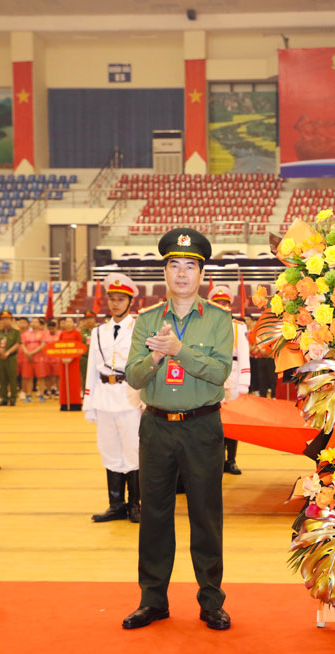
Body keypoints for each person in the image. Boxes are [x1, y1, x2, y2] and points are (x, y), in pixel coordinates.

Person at [121, 227, 234, 632]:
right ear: (165, 272)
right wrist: (155, 357)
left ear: (202, 274)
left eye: (189, 266)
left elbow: (220, 373)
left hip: (202, 427)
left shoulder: (219, 319)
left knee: (206, 515)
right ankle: (152, 601)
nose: (181, 273)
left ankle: (211, 601)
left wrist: (178, 351)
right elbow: (133, 377)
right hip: (156, 427)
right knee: (153, 515)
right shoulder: (147, 320)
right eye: (174, 266)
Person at [84, 275, 142, 524]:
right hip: (104, 397)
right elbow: (92, 368)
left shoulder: (139, 329)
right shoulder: (99, 331)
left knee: (133, 451)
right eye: (112, 299)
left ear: (130, 302)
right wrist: (88, 403)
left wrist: (145, 400)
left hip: (130, 397)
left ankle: (135, 505)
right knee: (109, 450)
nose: (115, 304)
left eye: (121, 299)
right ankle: (116, 505)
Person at [209, 285, 251, 475]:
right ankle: (216, 460)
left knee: (233, 422)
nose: (221, 306)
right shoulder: (205, 326)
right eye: (217, 303)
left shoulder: (238, 326)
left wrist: (244, 383)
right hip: (212, 379)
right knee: (214, 421)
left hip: (233, 377)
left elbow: (244, 355)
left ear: (229, 305)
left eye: (224, 303)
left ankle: (231, 460)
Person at [0, 311, 21, 406]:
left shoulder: (16, 332)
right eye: (3, 319)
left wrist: (7, 352)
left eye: (7, 319)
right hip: (0, 358)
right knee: (2, 378)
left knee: (12, 378)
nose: (5, 321)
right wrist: (0, 351)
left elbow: (17, 344)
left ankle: (13, 398)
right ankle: (4, 398)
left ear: (11, 320)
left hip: (11, 358)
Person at [56, 317, 84, 411]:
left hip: (74, 361)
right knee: (64, 382)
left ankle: (75, 403)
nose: (68, 323)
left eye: (70, 321)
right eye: (67, 321)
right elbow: (59, 346)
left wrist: (71, 357)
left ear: (73, 323)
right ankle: (64, 403)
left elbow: (80, 346)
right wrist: (62, 357)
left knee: (74, 381)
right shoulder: (62, 334)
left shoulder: (77, 333)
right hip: (63, 361)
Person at [20, 318, 50, 402]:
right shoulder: (25, 334)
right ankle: (28, 395)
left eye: (36, 322)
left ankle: (41, 395)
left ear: (39, 324)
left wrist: (32, 353)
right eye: (32, 322)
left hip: (39, 358)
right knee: (28, 377)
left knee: (41, 377)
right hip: (27, 358)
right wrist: (27, 353)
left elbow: (43, 345)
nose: (34, 323)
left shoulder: (43, 333)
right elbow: (23, 345)